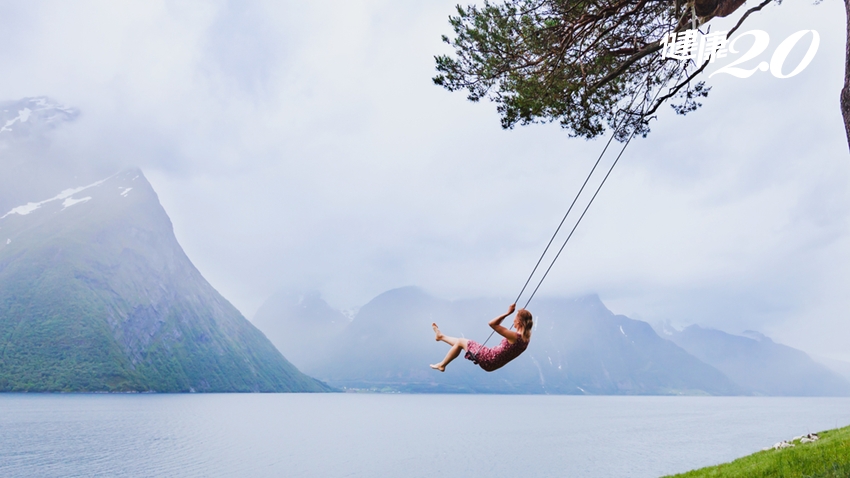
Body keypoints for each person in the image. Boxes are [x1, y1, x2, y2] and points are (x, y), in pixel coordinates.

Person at [430, 304, 532, 372]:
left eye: (514, 319)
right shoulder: (526, 340)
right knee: (461, 343)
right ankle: (441, 336)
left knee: (461, 341)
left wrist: (507, 313)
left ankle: (442, 365)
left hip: (488, 357)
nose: (513, 321)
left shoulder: (515, 337)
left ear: (519, 322)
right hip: (493, 365)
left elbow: (492, 323)